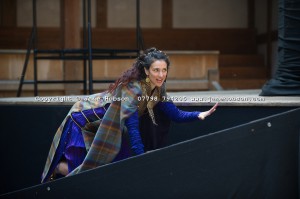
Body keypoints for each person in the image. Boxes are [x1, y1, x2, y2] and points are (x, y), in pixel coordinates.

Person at [41, 47, 218, 183]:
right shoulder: (134, 90)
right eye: (156, 70)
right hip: (83, 119)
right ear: (147, 71)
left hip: (107, 125)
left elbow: (175, 114)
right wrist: (142, 161)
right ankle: (58, 168)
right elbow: (133, 129)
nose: (161, 75)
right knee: (89, 168)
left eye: (164, 70)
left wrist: (200, 114)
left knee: (114, 164)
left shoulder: (157, 89)